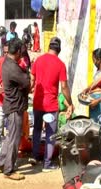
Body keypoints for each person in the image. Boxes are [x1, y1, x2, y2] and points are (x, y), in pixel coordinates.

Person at [30, 37, 74, 171]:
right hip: (51, 105)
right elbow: (64, 86)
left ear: (49, 47)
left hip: (38, 102)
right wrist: (70, 103)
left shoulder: (38, 60)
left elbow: (31, 80)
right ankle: (47, 164)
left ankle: (34, 156)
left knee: (37, 129)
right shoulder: (60, 64)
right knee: (50, 133)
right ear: (59, 50)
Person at [0, 38, 30, 180]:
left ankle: (0, 161)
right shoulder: (13, 67)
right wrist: (26, 72)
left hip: (10, 104)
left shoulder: (6, 62)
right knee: (14, 139)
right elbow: (26, 82)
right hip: (14, 106)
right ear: (18, 51)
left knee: (10, 137)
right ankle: (9, 169)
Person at [81, 48, 101, 126]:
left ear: (99, 60)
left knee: (99, 128)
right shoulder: (99, 71)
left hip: (100, 104)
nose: (93, 62)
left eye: (94, 60)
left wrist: (97, 101)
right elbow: (96, 82)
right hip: (96, 104)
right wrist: (87, 89)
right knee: (93, 128)